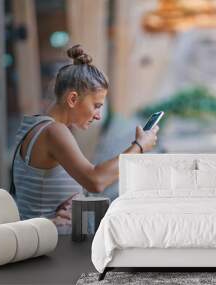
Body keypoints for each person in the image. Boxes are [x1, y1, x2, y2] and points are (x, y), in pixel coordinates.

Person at [12, 44, 158, 234]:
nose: (98, 115)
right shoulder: (54, 131)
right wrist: (139, 147)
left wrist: (75, 200)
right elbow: (95, 180)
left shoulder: (34, 126)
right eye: (96, 105)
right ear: (72, 99)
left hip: (46, 238)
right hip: (51, 246)